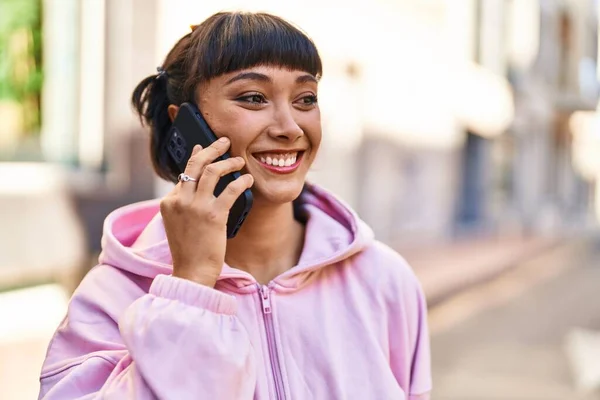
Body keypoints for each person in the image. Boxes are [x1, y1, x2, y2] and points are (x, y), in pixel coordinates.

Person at [38, 11, 432, 400]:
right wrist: (189, 287)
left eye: (305, 99)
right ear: (185, 123)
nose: (290, 127)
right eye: (253, 98)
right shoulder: (113, 296)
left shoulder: (385, 281)